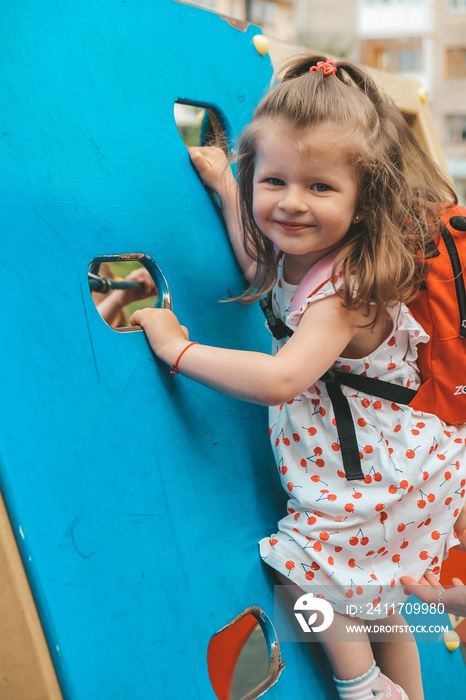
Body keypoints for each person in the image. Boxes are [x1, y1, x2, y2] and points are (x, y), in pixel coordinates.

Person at [130, 55, 466, 700]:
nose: (291, 204)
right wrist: (229, 189)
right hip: (376, 455)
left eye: (319, 188)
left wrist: (179, 350)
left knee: (307, 573)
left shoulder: (347, 287)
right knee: (381, 596)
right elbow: (259, 260)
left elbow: (285, 378)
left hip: (377, 467)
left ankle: (361, 684)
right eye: (274, 180)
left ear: (363, 197)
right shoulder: (303, 251)